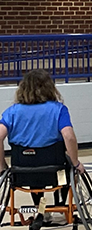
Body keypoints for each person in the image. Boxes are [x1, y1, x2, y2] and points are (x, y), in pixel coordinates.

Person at [0, 69, 85, 211]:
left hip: (22, 168)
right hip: (53, 167)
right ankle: (60, 206)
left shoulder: (12, 112)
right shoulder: (58, 109)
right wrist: (76, 163)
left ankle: (40, 208)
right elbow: (69, 136)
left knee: (34, 172)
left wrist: (2, 165)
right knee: (69, 168)